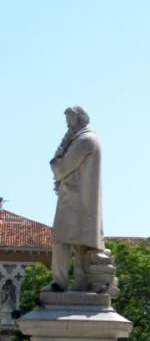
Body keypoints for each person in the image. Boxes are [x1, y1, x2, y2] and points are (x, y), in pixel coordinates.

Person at [44, 106, 104, 292]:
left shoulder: (85, 140)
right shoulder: (82, 138)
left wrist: (56, 161)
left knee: (63, 240)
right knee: (80, 242)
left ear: (79, 119)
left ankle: (60, 282)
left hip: (75, 197)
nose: (67, 123)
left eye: (69, 119)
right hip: (79, 198)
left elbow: (63, 167)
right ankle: (79, 282)